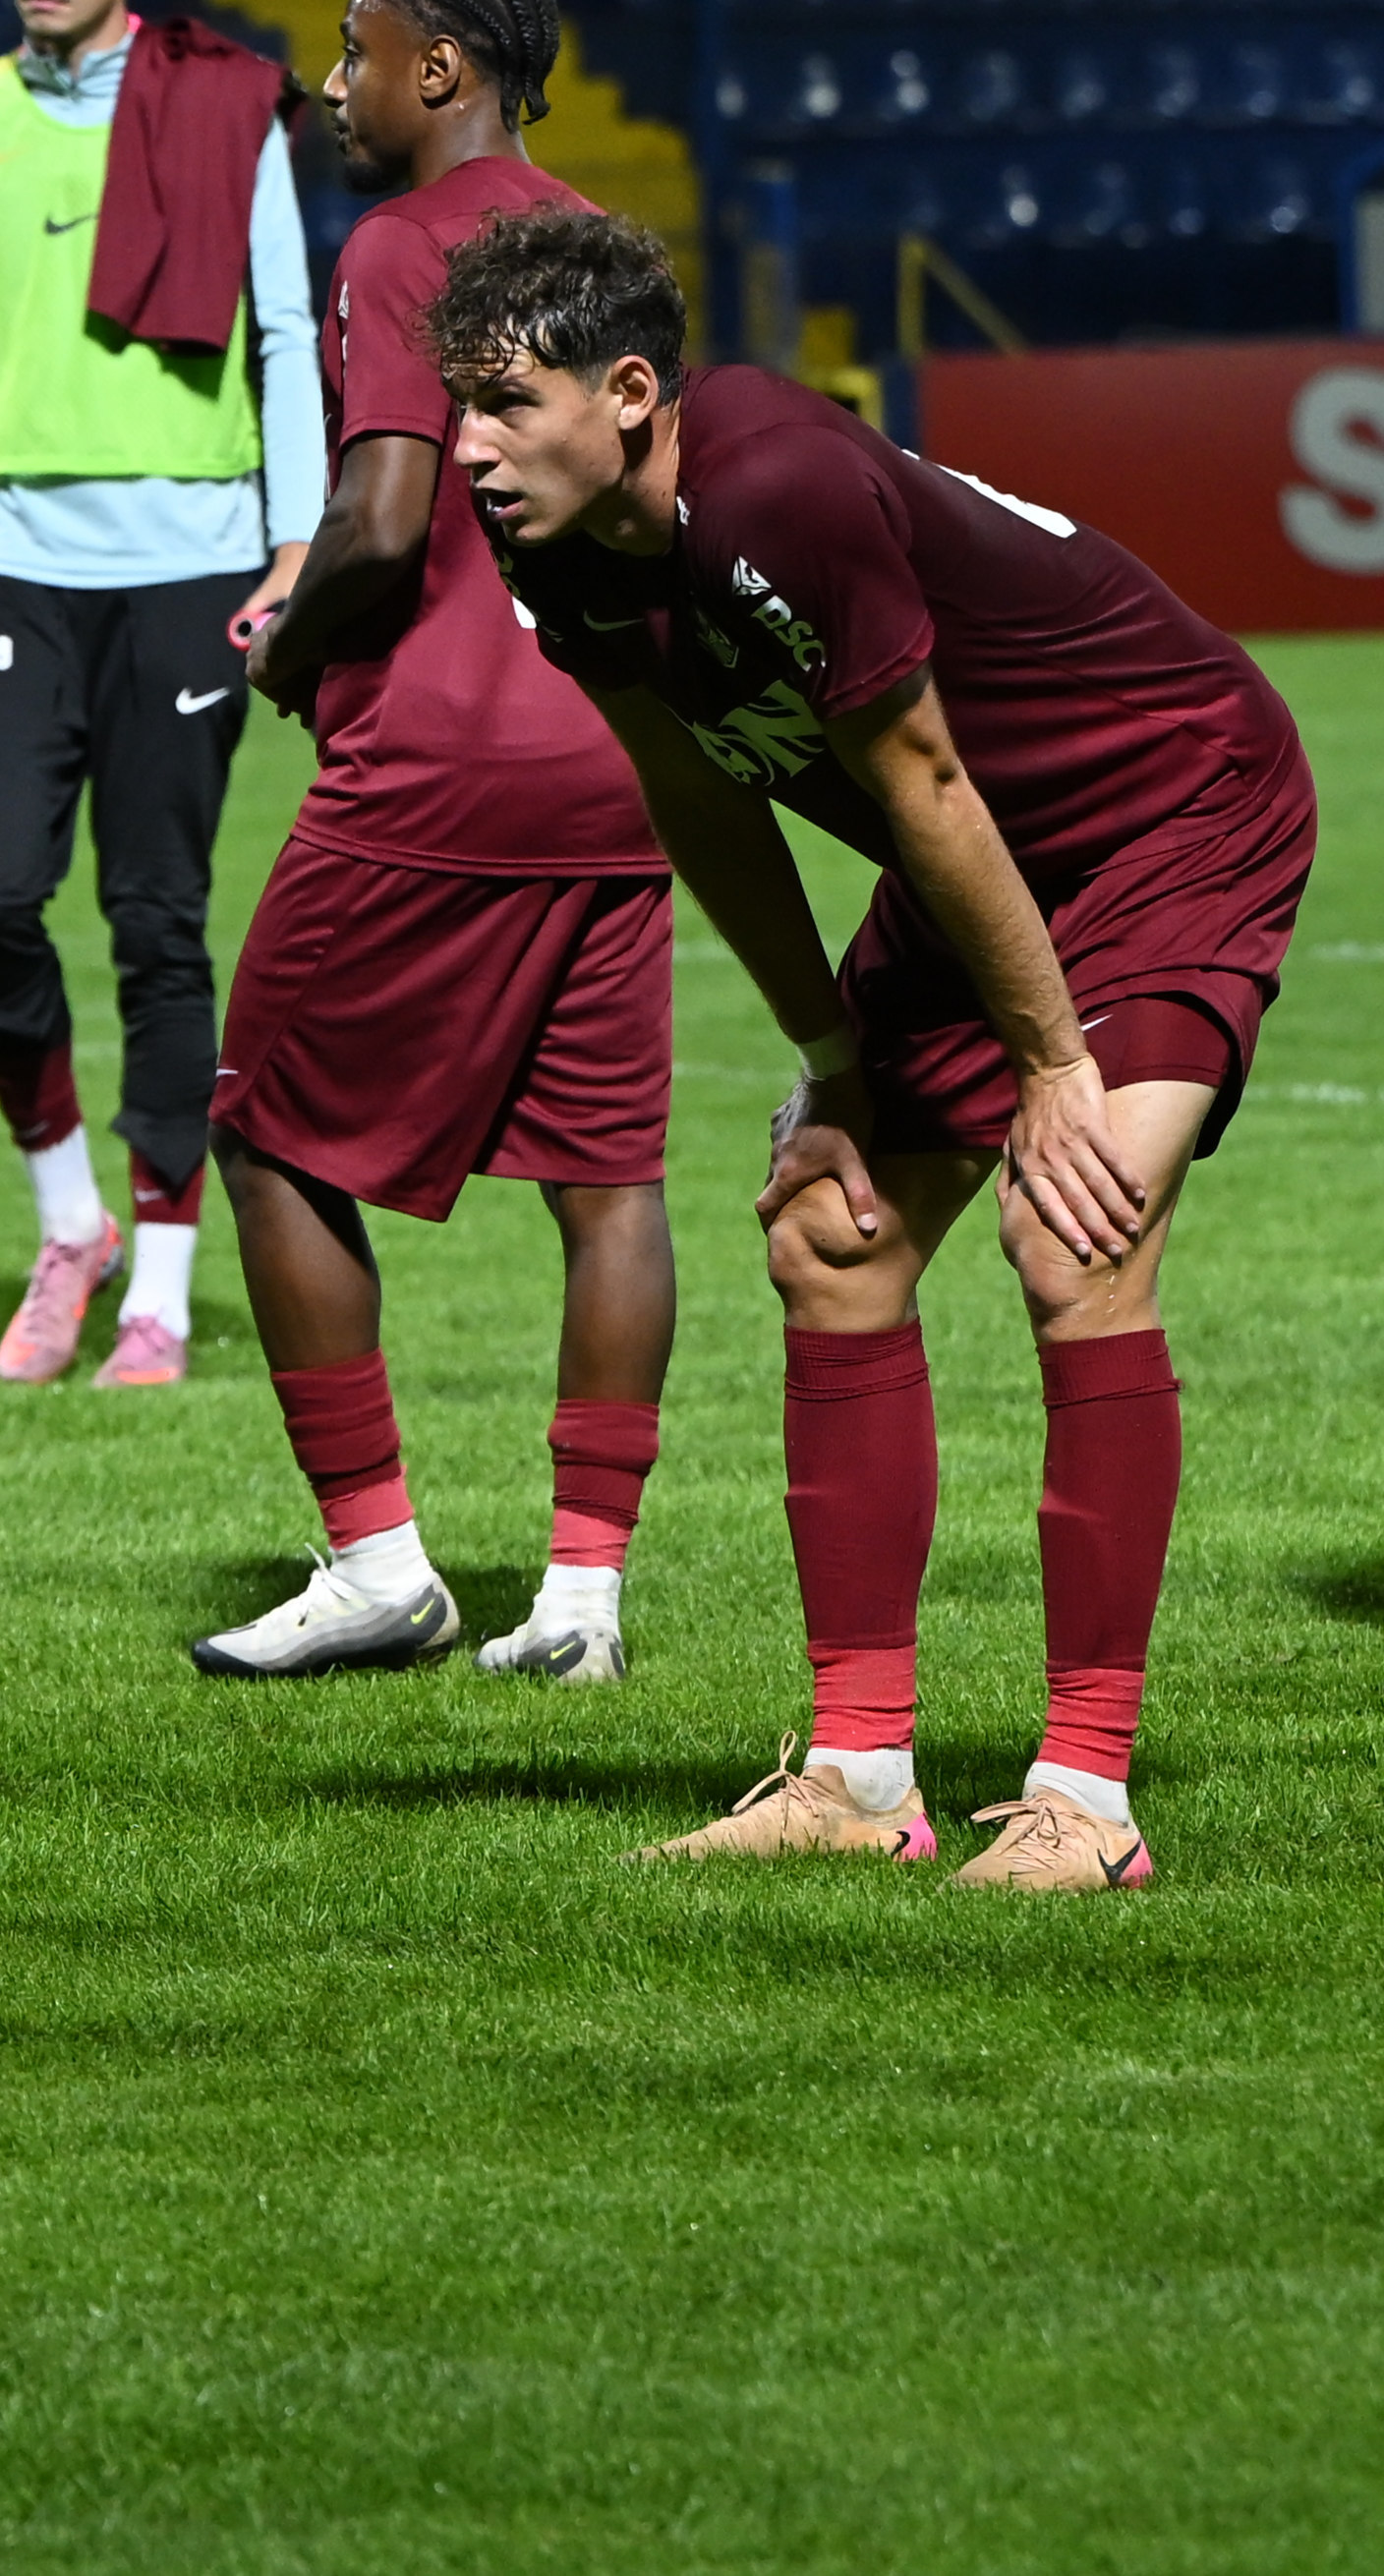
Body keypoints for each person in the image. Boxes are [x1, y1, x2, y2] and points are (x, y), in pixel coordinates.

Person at [443, 206, 1317, 1891]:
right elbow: (698, 793)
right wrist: (832, 1058)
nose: (470, 448)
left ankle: (1089, 1796)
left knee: (1074, 1237)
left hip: (1168, 811)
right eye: (463, 407)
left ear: (629, 392)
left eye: (507, 403)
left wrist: (1052, 1065)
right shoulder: (555, 539)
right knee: (828, 1236)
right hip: (975, 850)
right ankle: (856, 1776)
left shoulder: (773, 489)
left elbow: (919, 778)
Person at [193, 0, 676, 1681]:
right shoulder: (606, 241)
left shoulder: (406, 244)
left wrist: (289, 637)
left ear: (444, 66)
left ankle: (378, 1558)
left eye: (358, 49)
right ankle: (583, 1602)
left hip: (441, 768)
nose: (334, 83)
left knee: (263, 1131)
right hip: (625, 764)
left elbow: (389, 517)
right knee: (609, 1185)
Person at [0, 0, 320, 1388]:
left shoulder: (226, 110)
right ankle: (66, 1220)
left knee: (159, 921)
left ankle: (159, 1285)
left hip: (190, 561)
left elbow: (285, 330)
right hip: (5, 557)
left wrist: (294, 544)